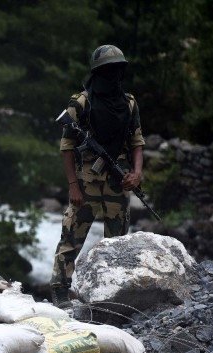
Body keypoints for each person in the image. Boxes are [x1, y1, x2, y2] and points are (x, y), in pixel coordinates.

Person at [50, 45, 146, 308]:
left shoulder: (129, 103)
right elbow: (67, 147)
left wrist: (136, 174)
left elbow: (137, 141)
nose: (113, 75)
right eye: (108, 70)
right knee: (72, 236)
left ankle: (112, 292)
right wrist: (73, 186)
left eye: (117, 69)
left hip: (118, 181)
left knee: (117, 243)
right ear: (98, 72)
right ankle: (60, 289)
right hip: (86, 183)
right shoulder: (81, 103)